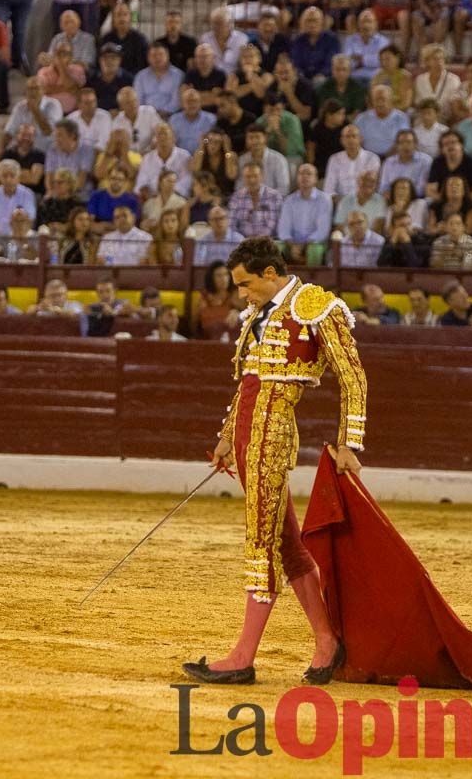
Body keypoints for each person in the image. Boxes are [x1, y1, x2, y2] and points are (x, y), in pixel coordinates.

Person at [189, 236, 364, 685]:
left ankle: (243, 657)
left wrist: (349, 442)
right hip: (250, 436)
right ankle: (327, 640)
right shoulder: (258, 315)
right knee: (286, 542)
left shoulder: (314, 305)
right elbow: (249, 381)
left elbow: (353, 375)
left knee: (260, 542)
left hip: (272, 436)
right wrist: (228, 437)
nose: (241, 296)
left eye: (246, 285)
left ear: (270, 273)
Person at [276, 163, 332, 265]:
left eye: (309, 174)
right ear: (297, 178)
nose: (304, 176)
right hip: (292, 244)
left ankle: (311, 280)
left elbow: (322, 232)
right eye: (301, 173)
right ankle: (280, 280)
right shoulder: (289, 200)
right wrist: (292, 246)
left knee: (314, 250)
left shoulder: (324, 200)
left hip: (314, 243)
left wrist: (302, 246)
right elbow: (283, 230)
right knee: (276, 247)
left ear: (316, 179)